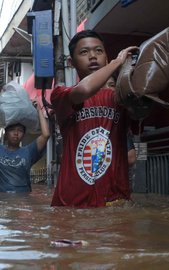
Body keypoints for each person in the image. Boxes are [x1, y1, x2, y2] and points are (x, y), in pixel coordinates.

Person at [50, 29, 138, 207]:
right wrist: (116, 63)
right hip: (72, 202)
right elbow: (83, 90)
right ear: (71, 62)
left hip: (115, 200)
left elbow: (141, 109)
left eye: (99, 51)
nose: (92, 56)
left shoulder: (118, 97)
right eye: (84, 52)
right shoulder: (61, 95)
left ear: (105, 56)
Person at [0, 101, 50, 192]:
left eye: (20, 131)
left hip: (22, 202)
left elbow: (46, 134)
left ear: (23, 135)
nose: (16, 133)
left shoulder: (29, 151)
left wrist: (39, 110)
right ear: (6, 134)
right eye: (12, 130)